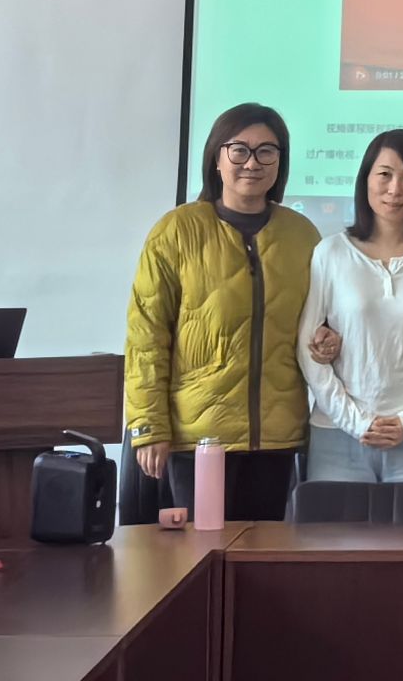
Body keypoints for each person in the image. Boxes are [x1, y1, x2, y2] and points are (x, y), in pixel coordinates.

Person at [124, 103, 323, 520]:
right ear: (217, 157)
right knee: (201, 552)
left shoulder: (301, 235)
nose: (252, 162)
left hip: (276, 437)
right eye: (239, 150)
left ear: (280, 162)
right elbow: (146, 337)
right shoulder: (176, 231)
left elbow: (321, 320)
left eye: (267, 151)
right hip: (198, 438)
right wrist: (148, 427)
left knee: (264, 552)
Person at [299, 128, 403, 483]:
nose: (395, 189)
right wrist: (355, 421)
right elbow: (308, 348)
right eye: (384, 174)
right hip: (337, 435)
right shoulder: (330, 252)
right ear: (365, 180)